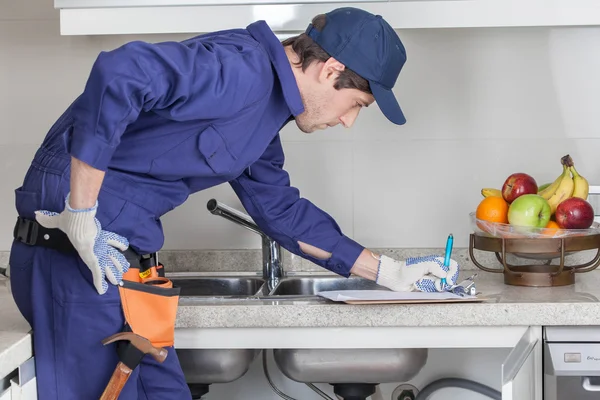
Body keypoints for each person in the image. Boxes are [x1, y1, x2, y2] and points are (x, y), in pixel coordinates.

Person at [8, 6, 460, 400]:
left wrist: (389, 272)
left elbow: (280, 211)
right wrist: (82, 212)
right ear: (330, 70)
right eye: (356, 103)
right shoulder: (238, 69)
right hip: (77, 260)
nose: (347, 121)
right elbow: (120, 71)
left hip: (127, 267)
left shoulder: (265, 113)